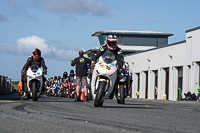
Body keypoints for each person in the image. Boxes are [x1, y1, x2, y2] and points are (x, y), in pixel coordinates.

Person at [91, 35, 124, 99]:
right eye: (111, 43)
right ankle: (90, 84)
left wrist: (119, 67)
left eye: (114, 43)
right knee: (92, 70)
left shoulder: (119, 51)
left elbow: (120, 60)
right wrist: (93, 61)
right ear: (107, 42)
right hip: (103, 63)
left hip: (112, 65)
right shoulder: (103, 48)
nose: (113, 45)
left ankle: (113, 90)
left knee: (118, 75)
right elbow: (96, 55)